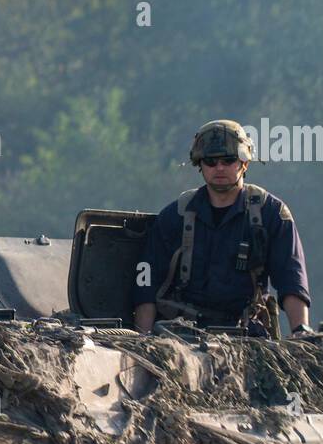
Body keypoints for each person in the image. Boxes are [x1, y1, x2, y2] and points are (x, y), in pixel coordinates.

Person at [133, 119, 312, 336]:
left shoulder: (270, 214)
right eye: (210, 161)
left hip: (245, 335)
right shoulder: (177, 215)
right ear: (200, 164)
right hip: (180, 334)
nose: (219, 168)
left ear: (244, 163)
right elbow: (146, 282)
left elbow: (291, 277)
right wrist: (143, 338)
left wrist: (300, 329)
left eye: (228, 160)